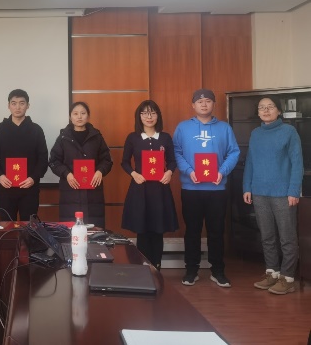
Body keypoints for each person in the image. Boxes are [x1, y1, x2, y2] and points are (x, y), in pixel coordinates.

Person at [173, 88, 239, 287]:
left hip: (216, 190)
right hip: (191, 189)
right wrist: (188, 171)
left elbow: (234, 152)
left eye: (208, 101)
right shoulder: (183, 127)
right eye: (199, 101)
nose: (204, 104)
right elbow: (176, 152)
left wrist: (222, 171)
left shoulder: (224, 128)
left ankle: (217, 271)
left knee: (216, 231)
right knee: (192, 231)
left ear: (214, 104)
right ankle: (191, 270)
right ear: (193, 105)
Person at [243, 96, 303, 295]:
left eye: (270, 107)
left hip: (283, 193)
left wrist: (293, 190)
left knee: (287, 237)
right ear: (258, 112)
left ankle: (288, 278)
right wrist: (247, 187)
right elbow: (250, 162)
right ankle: (272, 273)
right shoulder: (255, 134)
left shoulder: (289, 131)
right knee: (267, 236)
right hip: (259, 192)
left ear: (279, 110)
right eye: (262, 107)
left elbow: (297, 163)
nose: (266, 110)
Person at [121, 100, 178, 269]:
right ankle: (143, 268)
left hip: (160, 189)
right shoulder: (133, 138)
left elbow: (172, 161)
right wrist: (134, 174)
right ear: (139, 116)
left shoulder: (165, 137)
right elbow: (124, 162)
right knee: (142, 229)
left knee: (158, 230)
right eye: (145, 113)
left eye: (153, 113)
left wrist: (169, 172)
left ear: (158, 116)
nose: (149, 116)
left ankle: (157, 267)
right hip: (140, 188)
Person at [0, 89, 48, 221]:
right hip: (5, 188)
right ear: (8, 105)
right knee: (6, 226)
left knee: (29, 227)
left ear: (28, 105)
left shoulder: (36, 130)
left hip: (29, 188)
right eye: (14, 103)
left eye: (22, 103)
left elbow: (43, 158)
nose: (18, 107)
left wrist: (33, 178)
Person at [48, 101, 112, 228]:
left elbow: (106, 160)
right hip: (70, 191)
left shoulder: (96, 137)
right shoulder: (63, 138)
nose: (79, 117)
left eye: (83, 113)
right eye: (75, 113)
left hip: (93, 192)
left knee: (94, 231)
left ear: (88, 116)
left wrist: (100, 171)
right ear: (70, 116)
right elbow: (54, 161)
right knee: (71, 231)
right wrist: (67, 174)